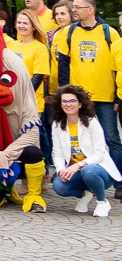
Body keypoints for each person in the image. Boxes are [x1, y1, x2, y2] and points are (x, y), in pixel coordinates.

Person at [52, 0, 122, 202]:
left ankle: (118, 182)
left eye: (78, 7)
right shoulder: (69, 32)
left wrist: (118, 97)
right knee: (77, 136)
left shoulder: (110, 33)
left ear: (90, 9)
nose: (74, 11)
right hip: (78, 98)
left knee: (111, 138)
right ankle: (82, 179)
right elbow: (63, 63)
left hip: (104, 95)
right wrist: (66, 92)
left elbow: (119, 67)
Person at [49, 84, 119, 218]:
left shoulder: (91, 122)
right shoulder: (57, 124)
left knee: (89, 170)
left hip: (99, 171)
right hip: (76, 172)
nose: (68, 104)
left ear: (80, 104)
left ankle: (101, 201)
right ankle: (84, 195)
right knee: (58, 185)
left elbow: (100, 153)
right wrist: (60, 170)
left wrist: (79, 165)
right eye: (64, 101)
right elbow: (56, 153)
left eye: (72, 101)